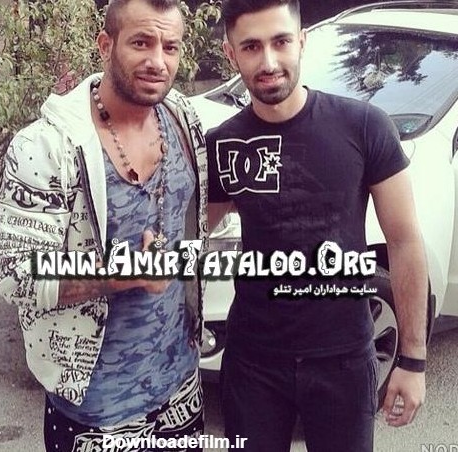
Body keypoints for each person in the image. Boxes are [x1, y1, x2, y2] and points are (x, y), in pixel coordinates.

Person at [206, 0, 428, 451]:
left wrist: (413, 360)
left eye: (281, 41)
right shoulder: (224, 144)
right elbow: (188, 237)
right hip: (253, 364)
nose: (269, 61)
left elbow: (404, 241)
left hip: (343, 360)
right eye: (251, 46)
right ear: (231, 54)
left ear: (302, 41)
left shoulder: (364, 127)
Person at [0, 0, 208, 450]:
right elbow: (16, 276)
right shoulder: (46, 147)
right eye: (141, 43)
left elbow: (192, 216)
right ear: (105, 45)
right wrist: (125, 274)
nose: (158, 61)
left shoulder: (182, 117)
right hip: (97, 409)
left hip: (182, 385)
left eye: (170, 46)